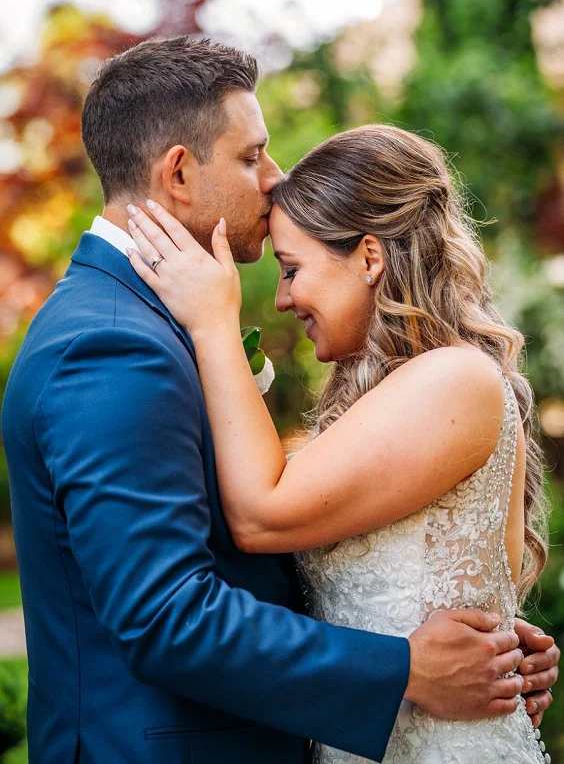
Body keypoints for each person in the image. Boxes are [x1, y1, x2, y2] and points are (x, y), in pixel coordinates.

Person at [1, 37, 557, 764]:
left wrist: (482, 632)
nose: (275, 177)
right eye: (252, 155)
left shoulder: (155, 325)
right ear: (177, 172)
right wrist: (407, 667)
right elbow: (167, 614)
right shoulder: (109, 344)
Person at [126, 120, 559, 763]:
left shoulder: (456, 377)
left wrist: (214, 322)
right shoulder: (392, 397)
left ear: (369, 257)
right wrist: (503, 648)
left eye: (292, 269)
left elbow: (260, 514)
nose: (280, 299)